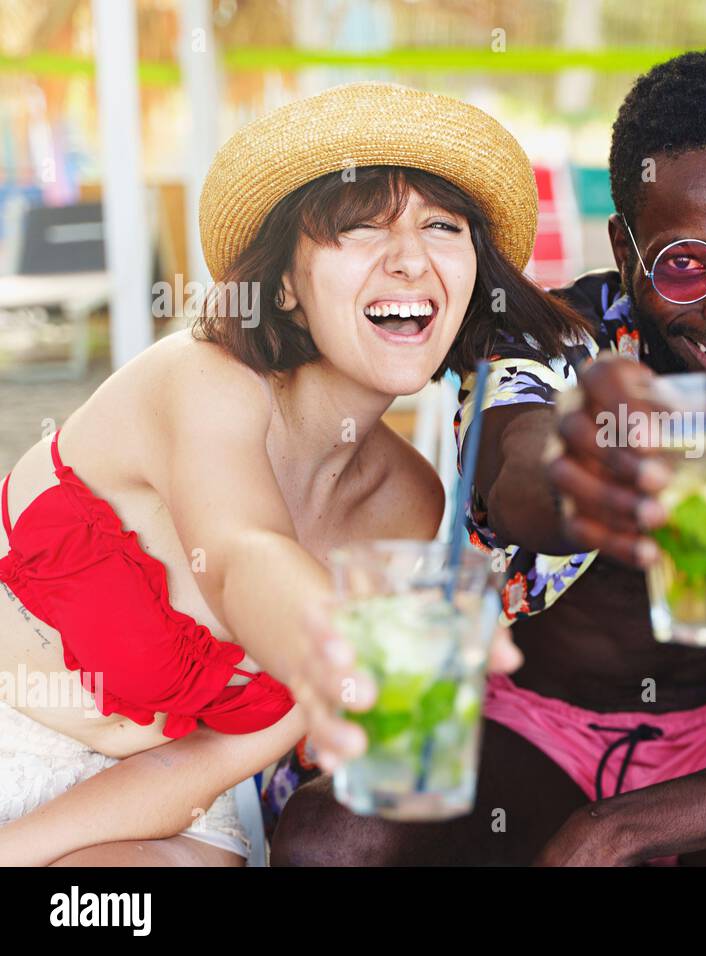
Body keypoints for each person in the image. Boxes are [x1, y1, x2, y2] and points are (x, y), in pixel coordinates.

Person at [272, 51, 706, 866]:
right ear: (624, 244)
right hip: (530, 738)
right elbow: (516, 472)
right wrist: (584, 482)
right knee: (334, 836)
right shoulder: (546, 334)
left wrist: (622, 829)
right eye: (683, 266)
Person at [0, 81, 564, 865]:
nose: (409, 258)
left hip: (166, 806)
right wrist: (338, 646)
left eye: (444, 226)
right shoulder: (201, 381)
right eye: (361, 229)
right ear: (287, 287)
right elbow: (240, 553)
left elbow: (200, 761)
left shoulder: (409, 497)